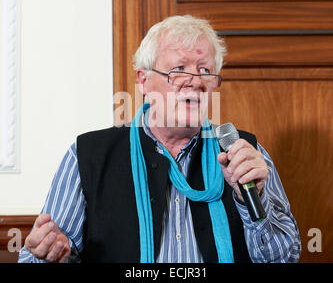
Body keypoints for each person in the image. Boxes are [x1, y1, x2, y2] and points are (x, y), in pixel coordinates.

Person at [18, 15, 301, 263]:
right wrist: (49, 256)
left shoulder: (245, 153)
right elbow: (35, 256)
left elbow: (285, 258)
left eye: (205, 70)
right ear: (143, 81)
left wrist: (252, 199)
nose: (196, 81)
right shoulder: (86, 156)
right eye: (179, 69)